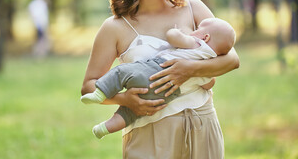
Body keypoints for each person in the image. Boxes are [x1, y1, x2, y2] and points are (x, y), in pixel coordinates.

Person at [81, 0, 239, 159]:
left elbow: (232, 60)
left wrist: (188, 70)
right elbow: (89, 86)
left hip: (202, 123)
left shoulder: (193, 8)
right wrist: (126, 100)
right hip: (148, 131)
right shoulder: (114, 27)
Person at [81, 17, 236, 139]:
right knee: (130, 114)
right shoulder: (210, 58)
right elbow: (210, 83)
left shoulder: (196, 42)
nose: (194, 32)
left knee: (121, 72)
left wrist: (178, 33)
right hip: (164, 97)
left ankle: (101, 95)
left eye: (198, 30)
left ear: (206, 37)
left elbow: (234, 61)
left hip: (154, 74)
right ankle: (104, 128)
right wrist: (124, 100)